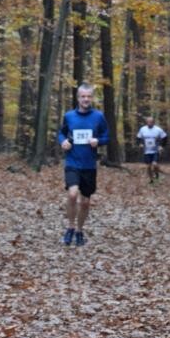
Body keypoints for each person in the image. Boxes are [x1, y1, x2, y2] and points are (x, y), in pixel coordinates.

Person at [58, 83, 110, 246]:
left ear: (92, 98)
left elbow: (107, 137)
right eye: (83, 96)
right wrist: (63, 142)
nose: (86, 99)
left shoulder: (98, 116)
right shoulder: (69, 116)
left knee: (86, 202)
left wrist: (98, 141)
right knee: (72, 194)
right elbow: (61, 133)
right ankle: (70, 227)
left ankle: (80, 231)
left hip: (89, 165)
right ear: (78, 98)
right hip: (72, 162)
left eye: (88, 96)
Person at [137, 115, 167, 183]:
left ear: (153, 122)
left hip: (155, 150)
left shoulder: (158, 129)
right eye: (148, 122)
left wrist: (161, 146)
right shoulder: (142, 129)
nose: (149, 123)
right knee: (148, 166)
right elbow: (138, 138)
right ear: (146, 122)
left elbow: (165, 138)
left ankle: (157, 175)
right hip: (146, 151)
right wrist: (140, 144)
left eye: (151, 122)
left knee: (155, 164)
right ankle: (151, 179)